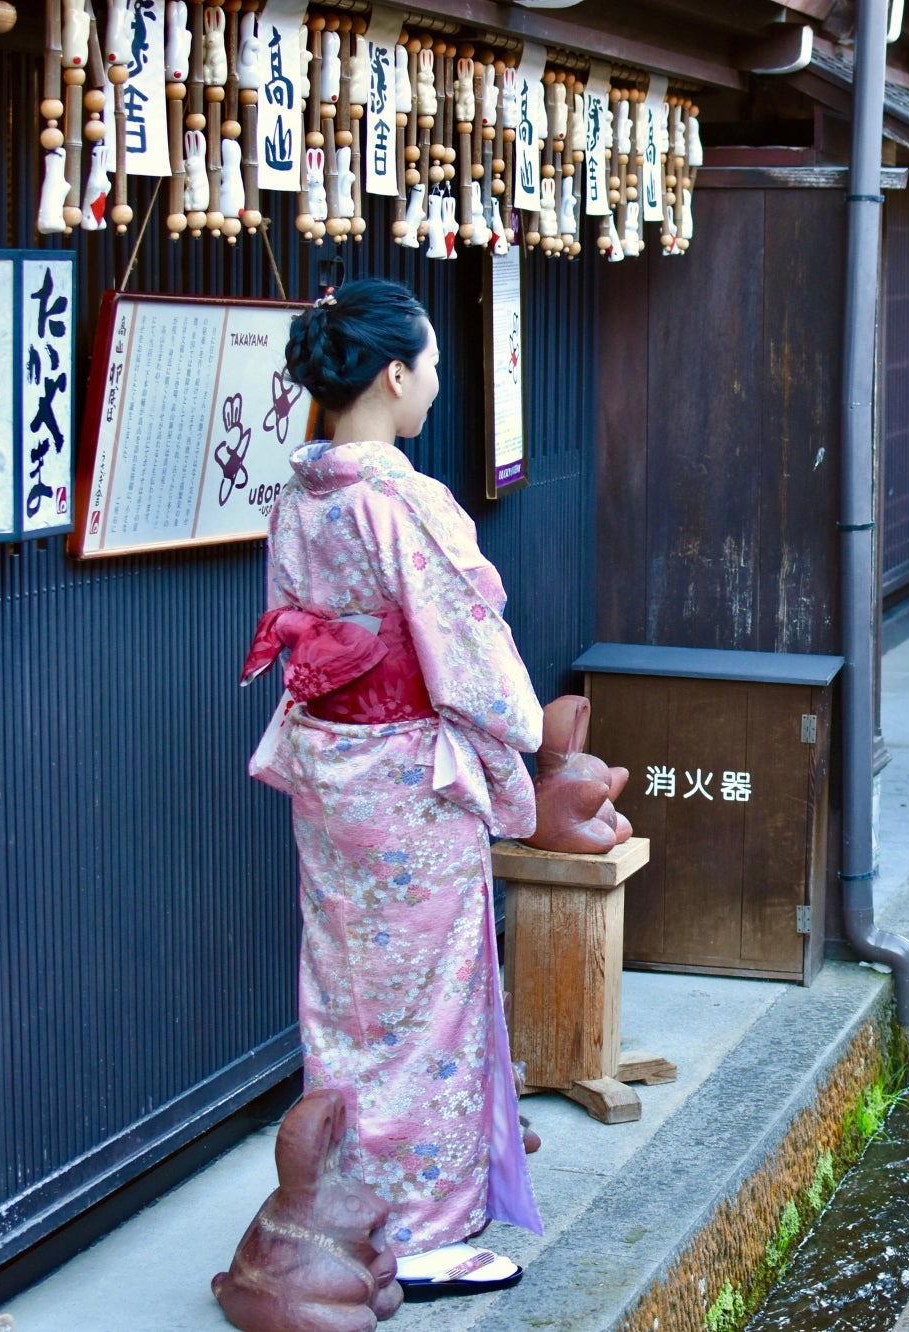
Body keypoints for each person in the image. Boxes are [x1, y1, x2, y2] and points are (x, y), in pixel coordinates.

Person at [242, 279, 544, 1297]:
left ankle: (338, 1207)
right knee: (426, 1008)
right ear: (392, 374)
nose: (436, 385)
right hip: (408, 779)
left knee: (343, 1000)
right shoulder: (400, 499)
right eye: (431, 367)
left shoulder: (304, 493)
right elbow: (468, 651)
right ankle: (417, 1231)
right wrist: (519, 727)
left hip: (330, 770)